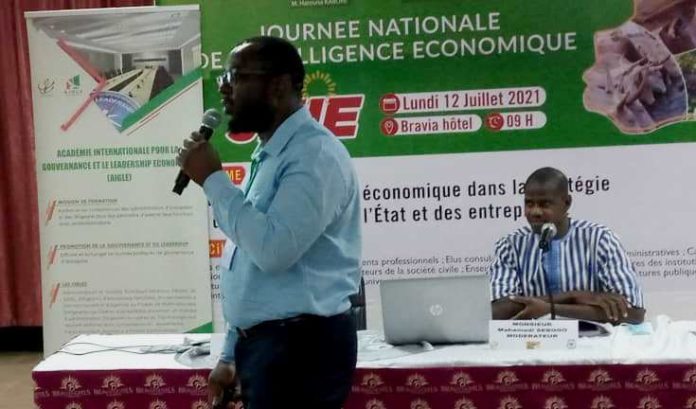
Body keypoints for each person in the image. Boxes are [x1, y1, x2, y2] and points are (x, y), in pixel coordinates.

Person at [176, 36, 362, 409]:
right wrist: (231, 353)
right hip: (270, 346)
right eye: (223, 78)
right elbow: (247, 255)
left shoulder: (314, 156)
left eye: (234, 76)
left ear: (278, 86)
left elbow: (274, 251)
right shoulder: (271, 153)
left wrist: (213, 179)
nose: (224, 88)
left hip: (302, 351)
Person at [488, 167, 645, 323]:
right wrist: (574, 296)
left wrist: (551, 309)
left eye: (545, 204)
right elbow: (496, 311)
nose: (535, 211)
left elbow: (634, 312)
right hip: (533, 337)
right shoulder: (510, 245)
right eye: (529, 204)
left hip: (591, 337)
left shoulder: (600, 240)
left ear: (567, 203)